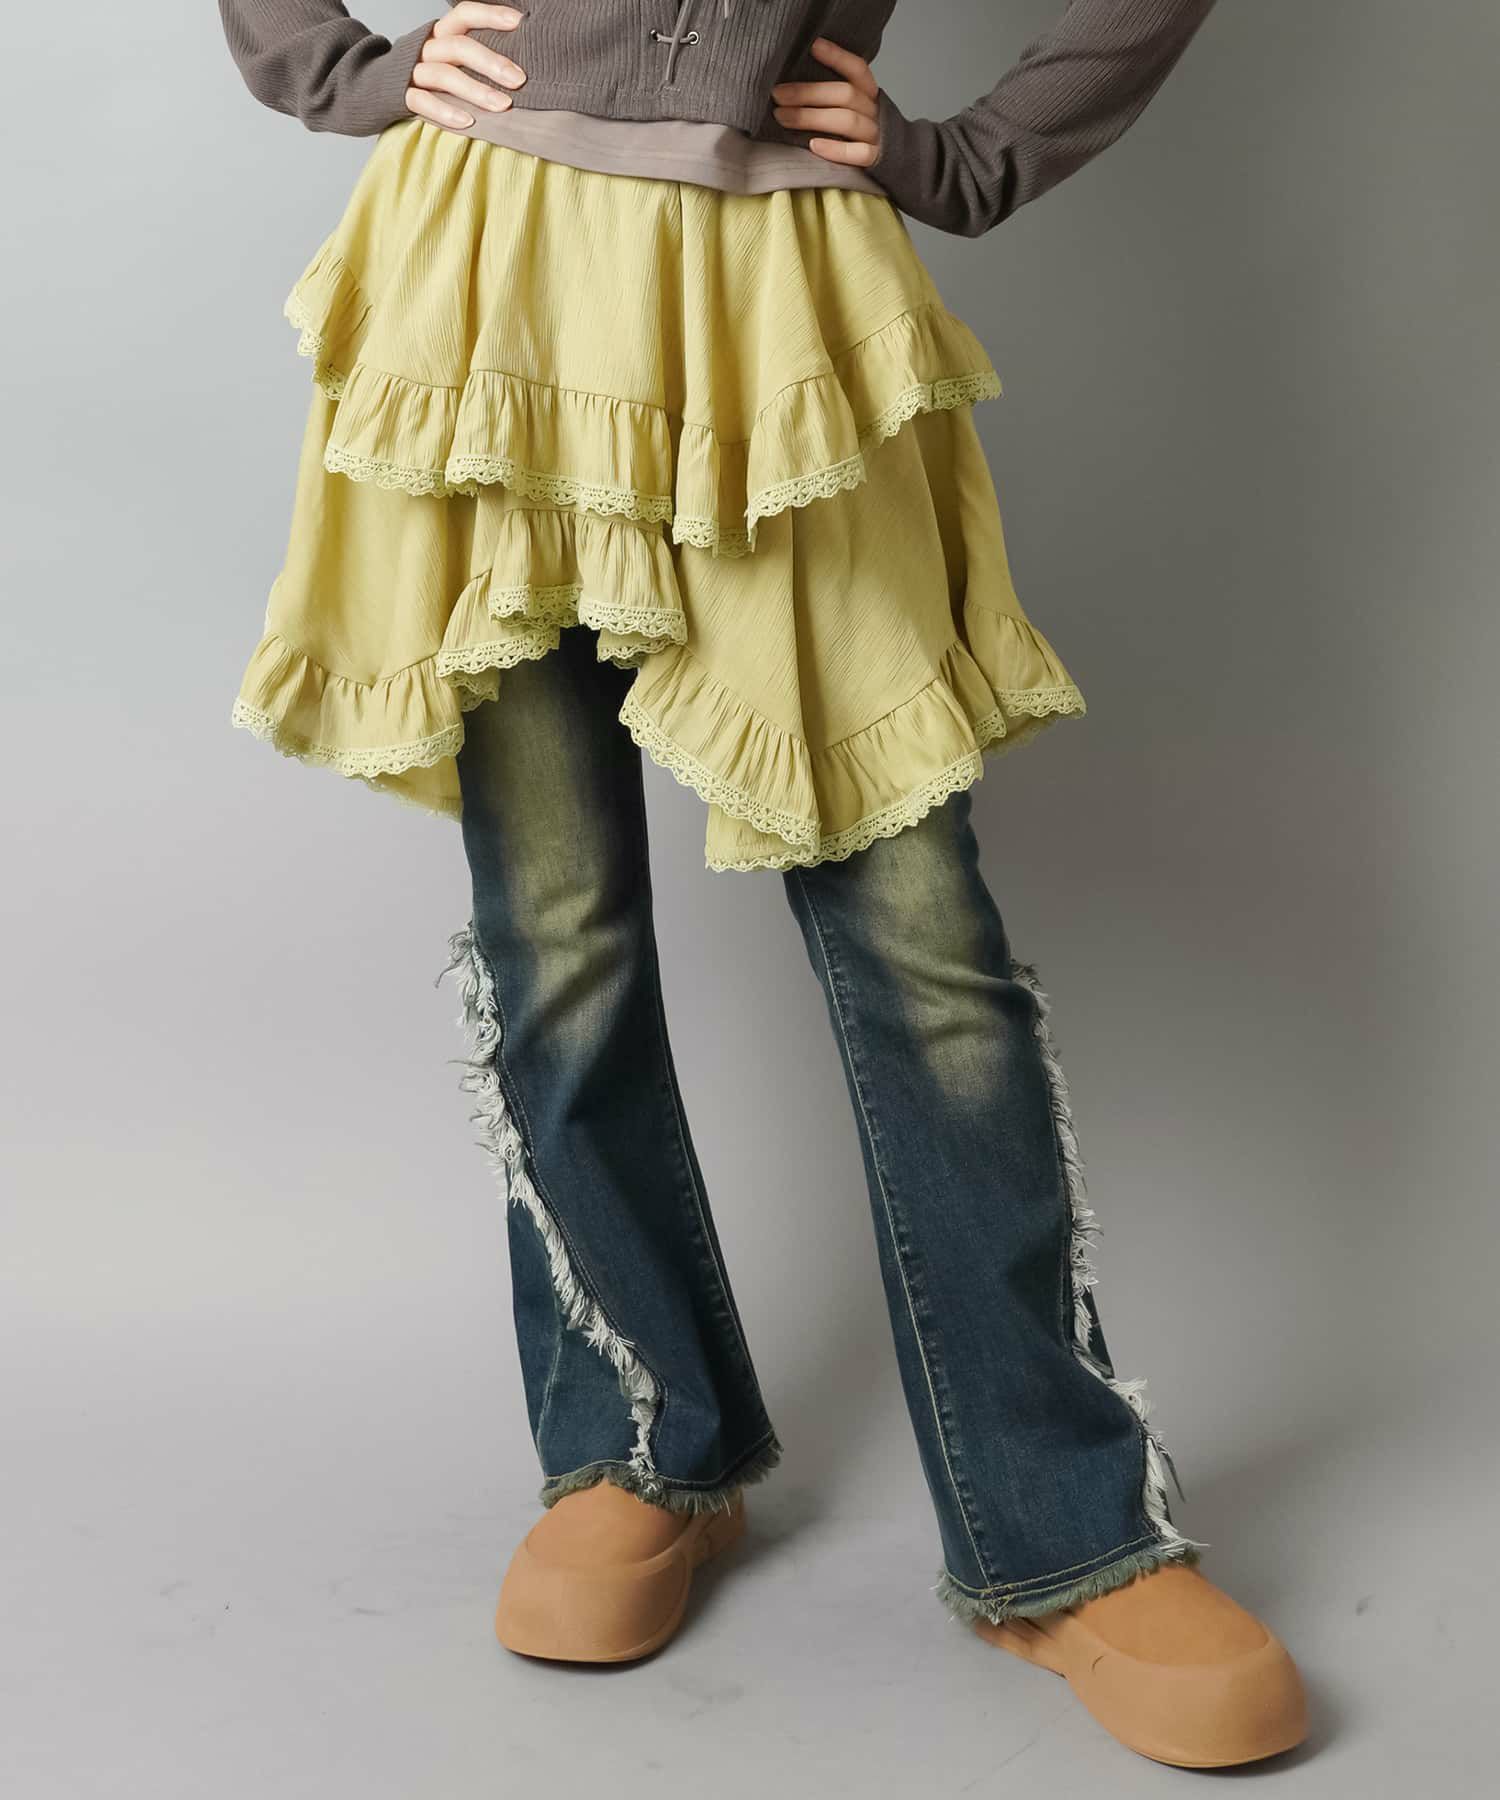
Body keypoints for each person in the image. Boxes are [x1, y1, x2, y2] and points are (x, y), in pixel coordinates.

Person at [217, 1, 1308, 1769]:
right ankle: (639, 1442)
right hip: (487, 267)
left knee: (923, 947)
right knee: (556, 930)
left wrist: (975, 155)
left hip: (778, 290)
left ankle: (1059, 1530)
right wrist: (336, 64)